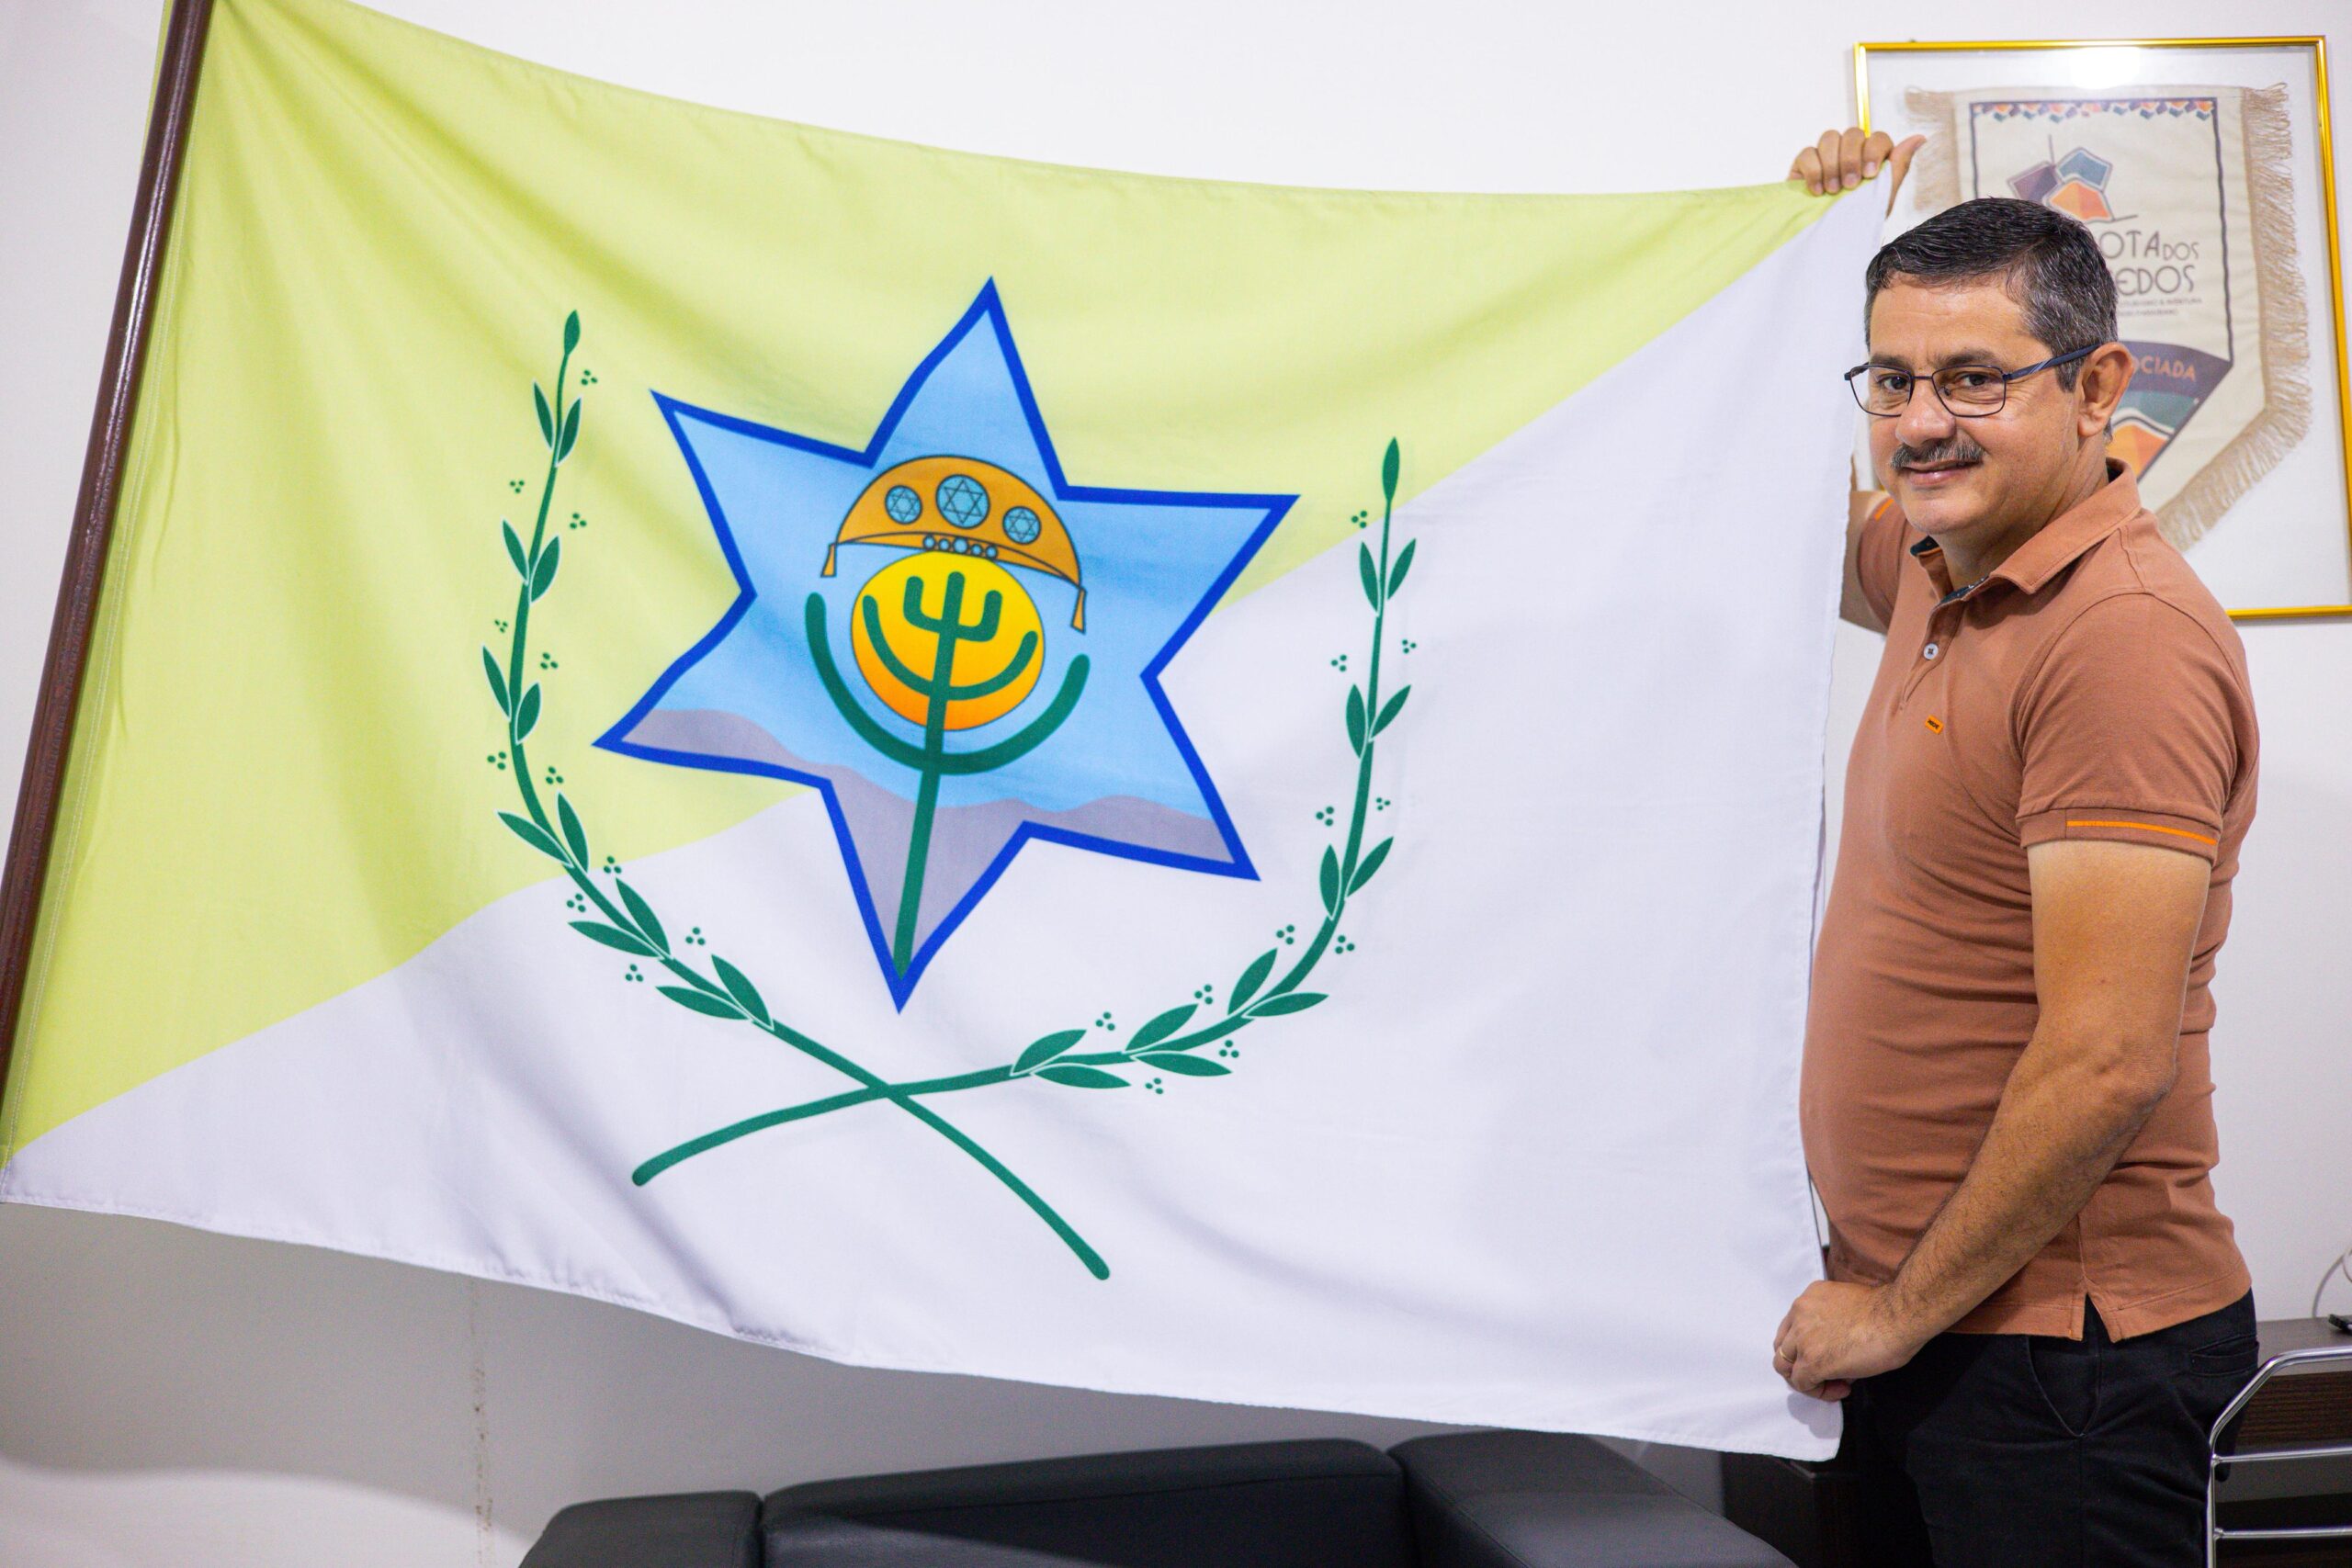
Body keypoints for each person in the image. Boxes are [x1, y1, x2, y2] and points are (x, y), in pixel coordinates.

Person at [1772, 128, 2262, 1565]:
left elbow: (2107, 1059)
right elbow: (1757, 510)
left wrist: (1895, 1313)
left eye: (1976, 379)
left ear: (2097, 388)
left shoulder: (2121, 640)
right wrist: (1797, 257)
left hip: (2059, 1362)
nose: (1923, 423)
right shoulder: (1944, 569)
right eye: (1893, 380)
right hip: (1933, 1326)